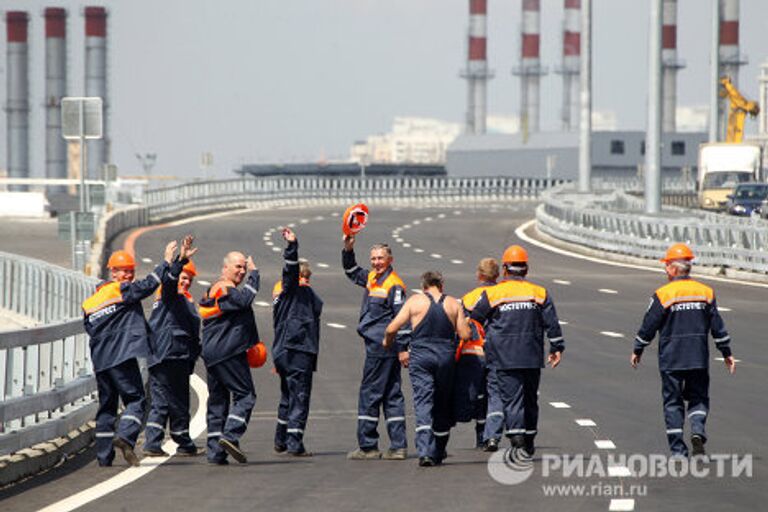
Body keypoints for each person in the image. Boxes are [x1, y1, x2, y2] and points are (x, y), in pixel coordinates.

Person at [632, 243, 735, 457]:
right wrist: (726, 352)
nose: (664, 269)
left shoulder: (663, 294)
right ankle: (697, 429)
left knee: (673, 402)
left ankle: (678, 450)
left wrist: (638, 348)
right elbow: (718, 326)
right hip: (698, 357)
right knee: (698, 397)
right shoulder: (705, 292)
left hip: (671, 359)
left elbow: (649, 324)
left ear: (672, 268)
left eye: (666, 265)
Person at [82, 244, 174, 467]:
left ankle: (104, 457)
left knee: (107, 407)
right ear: (112, 272)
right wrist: (166, 262)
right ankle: (125, 437)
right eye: (123, 270)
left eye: (130, 270)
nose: (128, 275)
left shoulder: (92, 301)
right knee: (136, 399)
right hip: (121, 357)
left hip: (101, 361)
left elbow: (90, 329)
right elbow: (149, 285)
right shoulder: (121, 290)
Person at [470, 245, 564, 459]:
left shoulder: (494, 293)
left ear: (505, 269)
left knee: (512, 400)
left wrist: (488, 341)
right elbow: (552, 324)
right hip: (531, 356)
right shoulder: (539, 293)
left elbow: (475, 319)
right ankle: (529, 439)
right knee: (530, 399)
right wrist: (557, 348)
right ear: (526, 269)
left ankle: (517, 438)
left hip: (504, 357)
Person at [385, 271, 471, 467]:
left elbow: (392, 328)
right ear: (441, 285)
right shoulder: (452, 303)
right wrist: (464, 324)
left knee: (423, 400)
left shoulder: (415, 302)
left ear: (424, 286)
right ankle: (439, 450)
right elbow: (465, 335)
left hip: (421, 356)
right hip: (445, 356)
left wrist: (387, 342)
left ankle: (425, 451)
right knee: (442, 401)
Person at [342, 236, 410, 460]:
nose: (376, 262)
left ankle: (368, 446)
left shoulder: (394, 284)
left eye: (380, 258)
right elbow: (352, 271)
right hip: (380, 345)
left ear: (390, 259)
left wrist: (403, 348)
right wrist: (348, 248)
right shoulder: (373, 278)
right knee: (392, 394)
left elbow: (402, 319)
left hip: (382, 346)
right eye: (373, 259)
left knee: (370, 393)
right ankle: (398, 446)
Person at [199, 251, 260, 465]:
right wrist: (255, 274)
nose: (242, 271)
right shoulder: (225, 288)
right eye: (238, 267)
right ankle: (231, 435)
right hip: (228, 351)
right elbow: (244, 300)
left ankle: (215, 452)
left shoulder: (213, 290)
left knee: (218, 401)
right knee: (246, 395)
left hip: (212, 353)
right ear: (225, 268)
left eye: (244, 268)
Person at [144, 235, 202, 457]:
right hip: (165, 355)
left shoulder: (186, 302)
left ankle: (183, 441)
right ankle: (152, 442)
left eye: (189, 279)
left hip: (180, 357)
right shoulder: (167, 295)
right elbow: (169, 280)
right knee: (161, 400)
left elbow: (193, 335)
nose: (185, 282)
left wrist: (194, 356)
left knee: (179, 401)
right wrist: (179, 260)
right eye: (183, 278)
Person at [272, 227, 323, 456]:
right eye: (303, 277)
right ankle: (294, 442)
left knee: (287, 396)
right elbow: (290, 272)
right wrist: (292, 247)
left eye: (306, 277)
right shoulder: (292, 291)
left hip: (284, 350)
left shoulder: (284, 296)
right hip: (297, 350)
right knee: (300, 396)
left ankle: (280, 439)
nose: (305, 281)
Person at [453, 257, 503, 451]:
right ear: (497, 275)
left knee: (478, 395)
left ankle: (481, 436)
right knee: (494, 395)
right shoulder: (503, 294)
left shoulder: (469, 298)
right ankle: (490, 436)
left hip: (474, 354)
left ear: (479, 275)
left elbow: (463, 327)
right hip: (498, 352)